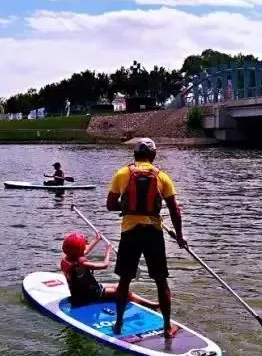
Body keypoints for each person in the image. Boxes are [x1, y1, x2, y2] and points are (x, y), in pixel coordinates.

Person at [106, 137, 186, 339]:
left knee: (124, 280)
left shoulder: (122, 173)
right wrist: (179, 237)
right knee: (161, 281)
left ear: (134, 154)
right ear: (153, 155)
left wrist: (127, 208)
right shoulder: (162, 177)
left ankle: (118, 324)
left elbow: (110, 205)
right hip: (153, 232)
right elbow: (175, 210)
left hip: (130, 232)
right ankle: (167, 328)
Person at [60, 231, 159, 309]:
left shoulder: (66, 259)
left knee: (118, 286)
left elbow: (84, 252)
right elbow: (104, 265)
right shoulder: (81, 264)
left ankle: (144, 302)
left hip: (84, 292)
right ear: (78, 252)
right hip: (90, 296)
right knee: (123, 291)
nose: (84, 249)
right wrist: (108, 252)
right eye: (82, 247)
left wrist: (96, 239)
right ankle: (151, 305)